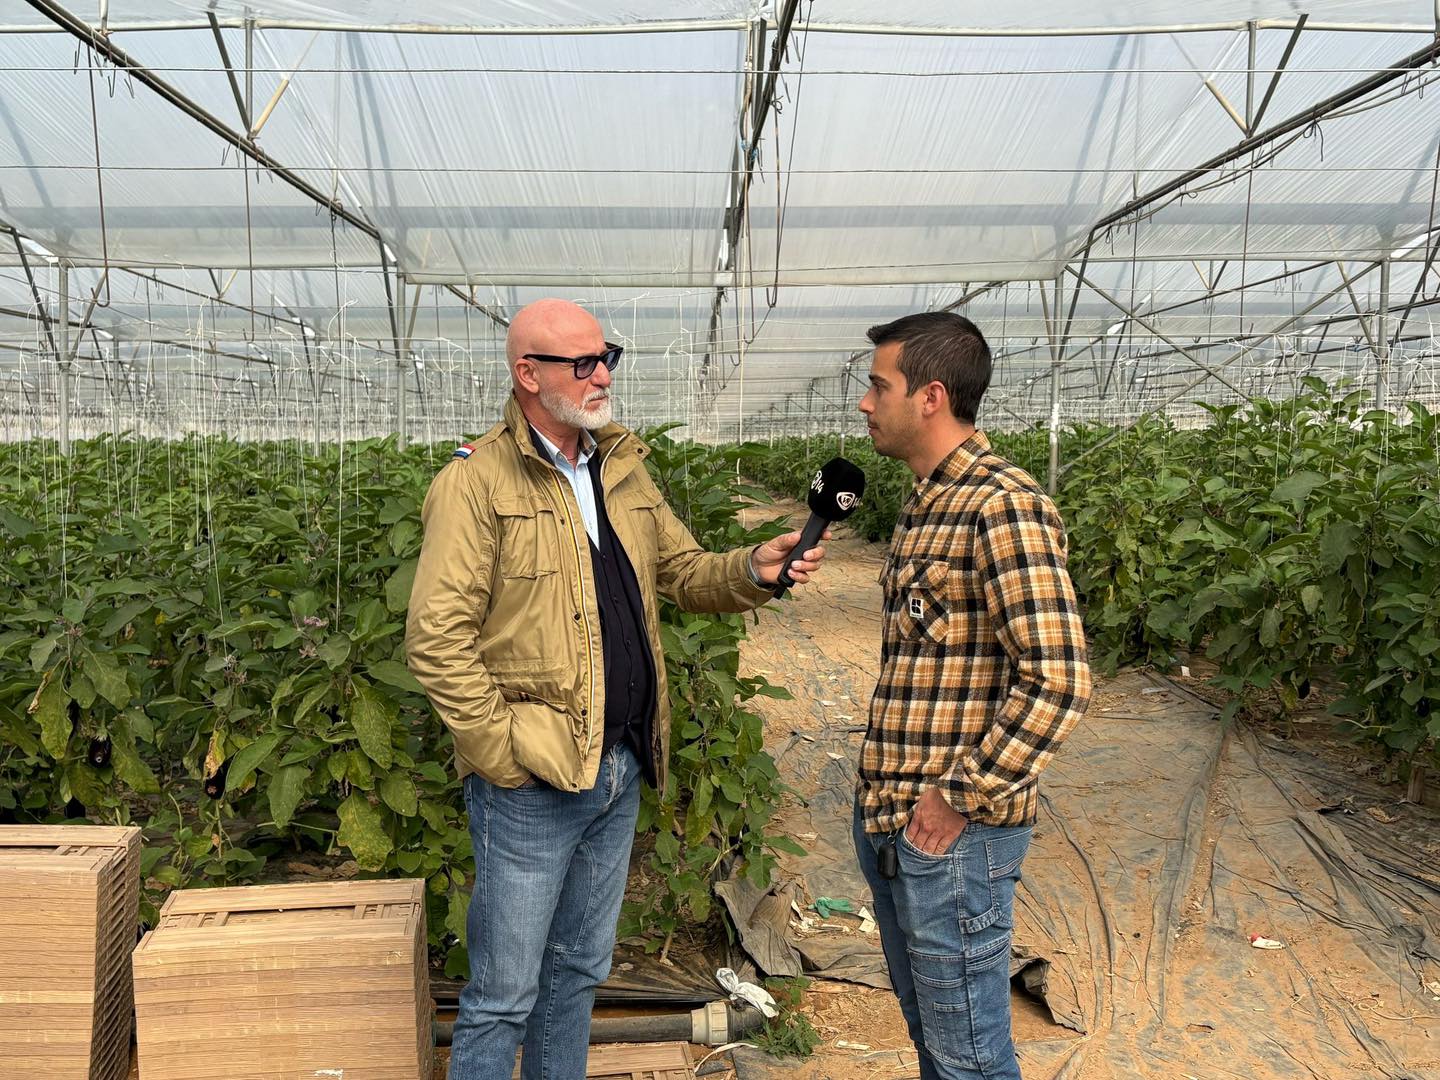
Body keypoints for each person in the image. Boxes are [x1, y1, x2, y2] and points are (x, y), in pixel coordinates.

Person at [405, 298, 828, 1080]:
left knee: (576, 974)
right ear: (528, 374)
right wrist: (503, 753)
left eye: (607, 357)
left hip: (620, 767)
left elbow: (683, 571)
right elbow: (436, 638)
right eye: (582, 363)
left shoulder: (620, 467)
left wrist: (753, 568)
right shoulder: (475, 483)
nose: (602, 375)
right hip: (532, 784)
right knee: (503, 993)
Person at [852, 311, 1092, 1080]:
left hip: (953, 841)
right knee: (937, 1044)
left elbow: (1058, 678)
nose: (865, 401)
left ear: (929, 397)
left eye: (878, 385)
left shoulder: (1001, 505)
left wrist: (959, 797)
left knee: (970, 1061)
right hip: (897, 824)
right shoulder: (927, 503)